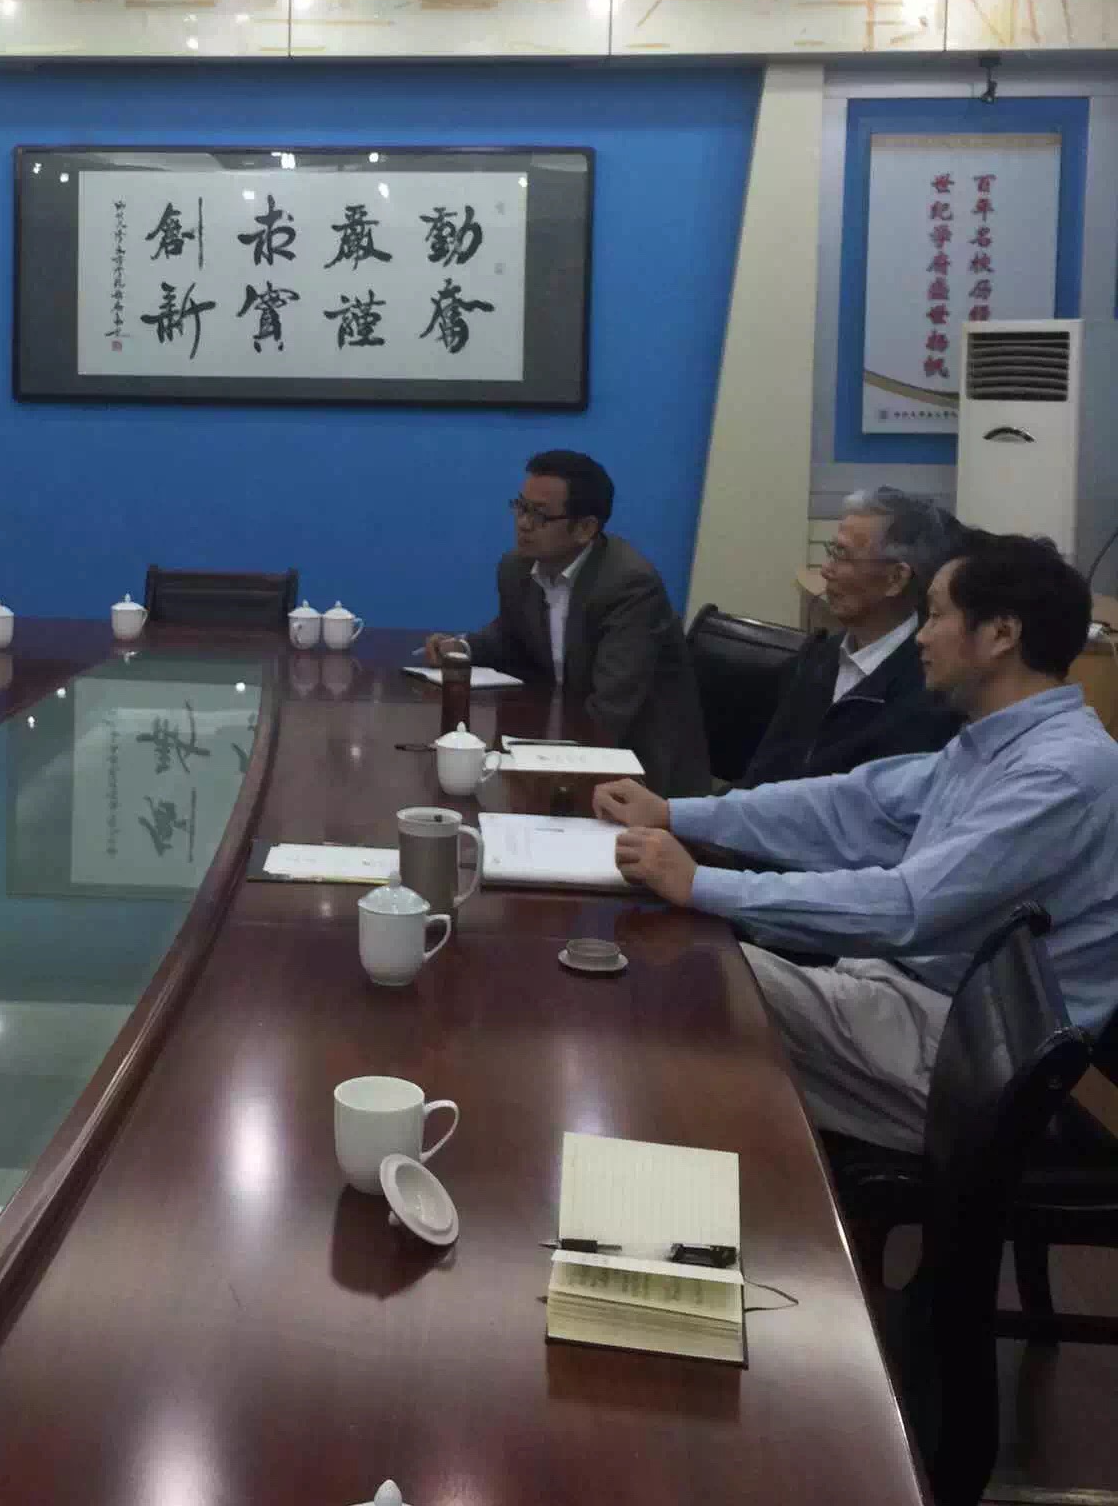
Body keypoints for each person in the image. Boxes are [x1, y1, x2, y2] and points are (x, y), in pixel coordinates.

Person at [595, 534, 1118, 1150]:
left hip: (968, 1058)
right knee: (683, 978)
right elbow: (849, 807)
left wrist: (700, 884)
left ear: (1001, 634)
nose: (921, 637)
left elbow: (908, 908)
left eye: (938, 615)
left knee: (681, 978)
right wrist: (675, 813)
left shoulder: (1059, 775)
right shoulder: (995, 743)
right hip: (913, 1003)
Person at [424, 449, 710, 797]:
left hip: (639, 771)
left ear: (585, 528)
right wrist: (461, 648)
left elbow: (611, 709)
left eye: (540, 515)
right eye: (520, 507)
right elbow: (512, 637)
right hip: (561, 742)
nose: (523, 523)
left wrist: (540, 769)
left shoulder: (629, 586)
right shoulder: (517, 568)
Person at [742, 487, 963, 786]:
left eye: (842, 555)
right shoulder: (819, 656)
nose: (826, 570)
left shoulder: (928, 687)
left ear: (896, 578)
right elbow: (761, 776)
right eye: (831, 552)